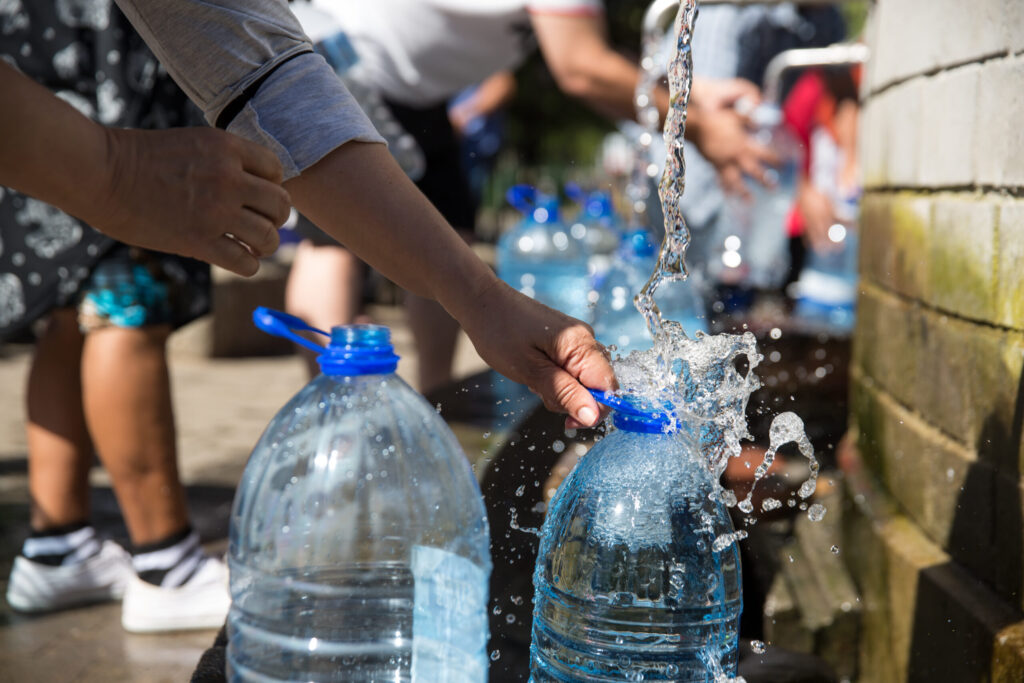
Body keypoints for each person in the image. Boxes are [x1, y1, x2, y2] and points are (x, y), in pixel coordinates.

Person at [283, 0, 777, 393]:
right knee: (330, 240)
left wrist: (693, 92)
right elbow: (581, 67)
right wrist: (700, 125)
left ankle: (439, 400)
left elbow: (598, 50)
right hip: (340, 60)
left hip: (417, 91)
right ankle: (335, 411)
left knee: (446, 234)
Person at [1, 3, 233, 633]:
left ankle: (58, 545)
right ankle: (166, 565)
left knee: (68, 298)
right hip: (111, 47)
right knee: (125, 293)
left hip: (32, 47)